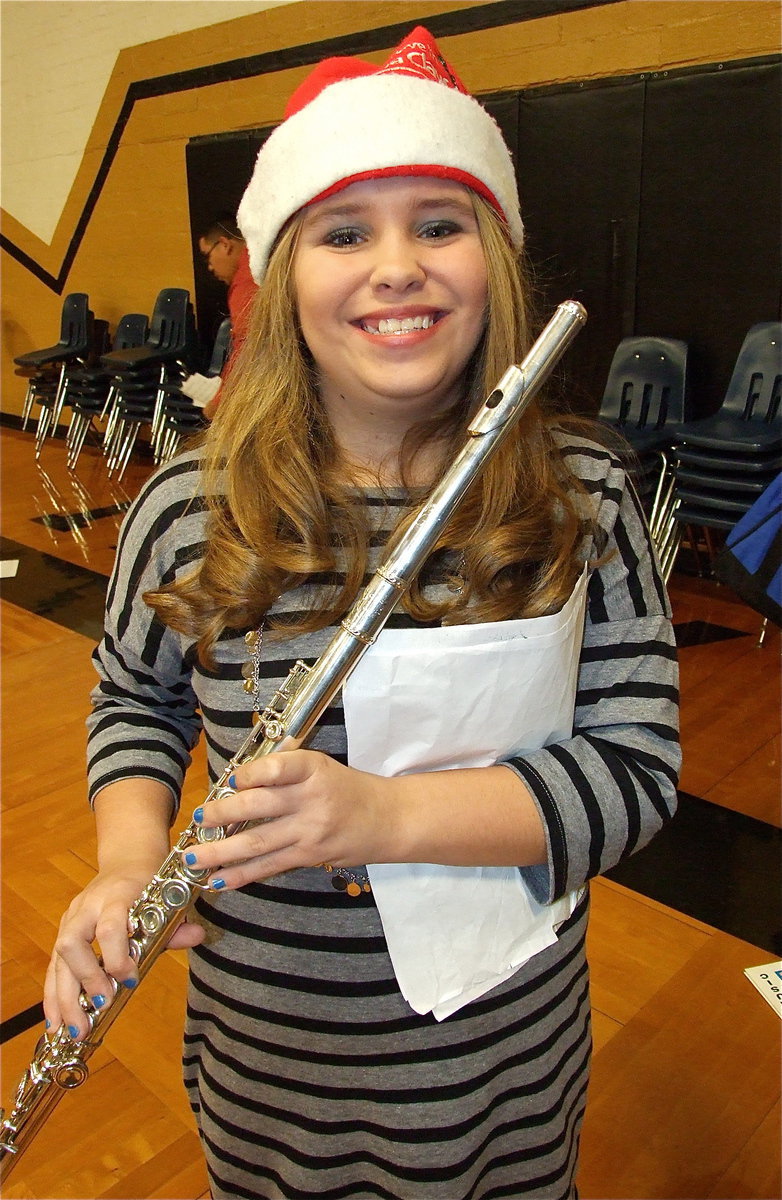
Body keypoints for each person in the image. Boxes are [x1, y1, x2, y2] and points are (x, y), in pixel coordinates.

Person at [44, 27, 680, 1200]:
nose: (396, 266)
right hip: (271, 1061)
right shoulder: (187, 505)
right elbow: (135, 697)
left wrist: (382, 818)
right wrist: (127, 858)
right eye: (344, 232)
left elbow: (635, 773)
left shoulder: (578, 495)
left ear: (493, 261)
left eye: (438, 224)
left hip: (499, 1064)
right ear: (278, 275)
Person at [182, 215, 258, 418]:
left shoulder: (247, 281)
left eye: (207, 256)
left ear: (225, 244)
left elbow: (250, 351)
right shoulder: (263, 259)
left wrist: (219, 403)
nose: (209, 266)